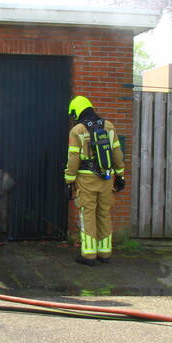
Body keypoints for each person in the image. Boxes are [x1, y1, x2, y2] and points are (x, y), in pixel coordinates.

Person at [63, 95, 126, 265]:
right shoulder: (109, 126)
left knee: (88, 214)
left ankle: (88, 255)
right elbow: (117, 154)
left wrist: (69, 180)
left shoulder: (77, 130)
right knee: (104, 213)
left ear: (77, 112)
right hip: (107, 178)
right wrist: (120, 175)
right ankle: (105, 253)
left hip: (86, 179)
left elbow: (73, 158)